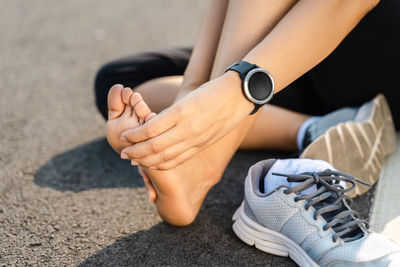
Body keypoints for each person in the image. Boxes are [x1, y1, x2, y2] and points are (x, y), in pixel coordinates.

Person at [94, 0, 399, 226]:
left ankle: (207, 161)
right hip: (320, 48)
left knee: (155, 107)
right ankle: (319, 128)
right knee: (124, 80)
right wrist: (194, 87)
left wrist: (236, 91)